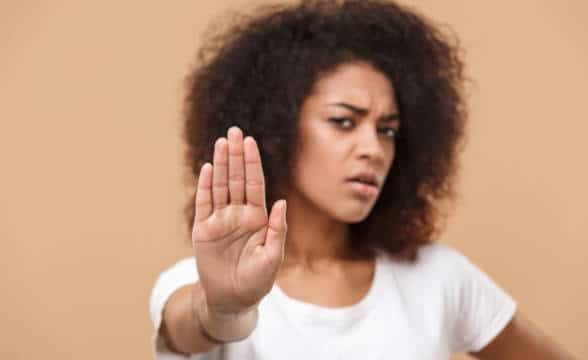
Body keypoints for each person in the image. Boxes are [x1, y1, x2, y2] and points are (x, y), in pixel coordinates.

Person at [149, 0, 575, 359]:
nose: (374, 148)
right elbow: (195, 324)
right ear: (276, 129)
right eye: (344, 121)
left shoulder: (437, 278)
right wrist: (224, 307)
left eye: (387, 129)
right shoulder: (201, 280)